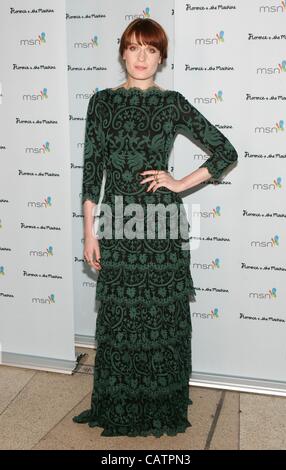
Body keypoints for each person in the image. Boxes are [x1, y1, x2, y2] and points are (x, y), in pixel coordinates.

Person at [72, 18, 238, 437]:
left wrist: (179, 182)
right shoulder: (102, 103)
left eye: (151, 50)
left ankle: (160, 405)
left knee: (162, 317)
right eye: (134, 48)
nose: (142, 57)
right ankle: (119, 405)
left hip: (161, 225)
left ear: (162, 57)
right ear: (122, 52)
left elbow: (225, 151)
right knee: (120, 316)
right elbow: (93, 171)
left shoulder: (172, 103)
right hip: (118, 222)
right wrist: (90, 231)